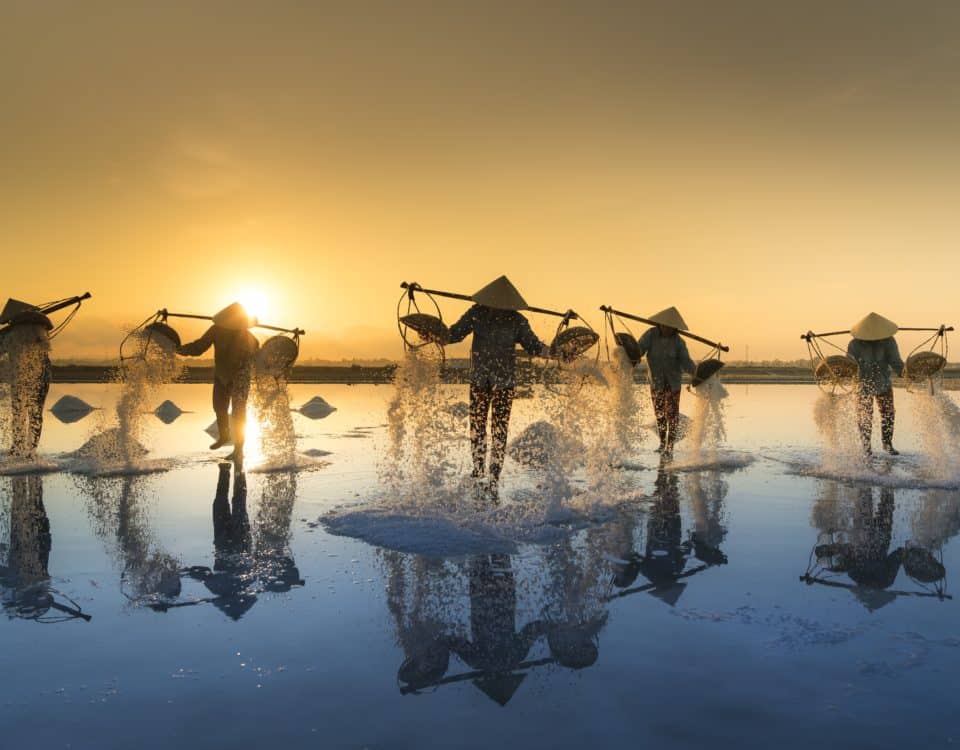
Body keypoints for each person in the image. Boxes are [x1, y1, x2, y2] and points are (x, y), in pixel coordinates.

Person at [446, 276, 550, 494]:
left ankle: (494, 478)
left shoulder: (517, 321)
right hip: (479, 382)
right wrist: (434, 334)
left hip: (504, 384)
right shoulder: (476, 313)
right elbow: (453, 334)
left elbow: (533, 346)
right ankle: (478, 471)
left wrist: (555, 352)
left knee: (499, 431)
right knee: (477, 428)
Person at [177, 302, 259, 463]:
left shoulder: (249, 337)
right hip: (222, 374)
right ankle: (224, 436)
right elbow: (198, 347)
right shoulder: (216, 330)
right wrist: (179, 349)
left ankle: (238, 450)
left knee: (238, 413)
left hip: (240, 377)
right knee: (219, 407)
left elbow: (257, 356)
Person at [635, 306, 695, 458]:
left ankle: (670, 446)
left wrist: (697, 373)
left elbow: (686, 362)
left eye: (671, 327)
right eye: (666, 326)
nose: (668, 329)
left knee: (672, 416)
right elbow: (638, 350)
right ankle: (662, 443)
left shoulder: (679, 342)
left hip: (673, 383)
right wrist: (630, 354)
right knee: (660, 414)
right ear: (661, 324)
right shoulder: (650, 335)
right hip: (656, 382)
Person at [0, 301, 53, 460]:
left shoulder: (11, 336)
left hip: (35, 377)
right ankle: (24, 449)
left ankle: (25, 449)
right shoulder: (13, 335)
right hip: (24, 377)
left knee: (27, 412)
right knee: (29, 412)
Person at [847, 312, 904, 456]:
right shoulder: (855, 344)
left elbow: (896, 363)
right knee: (864, 416)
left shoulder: (888, 342)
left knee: (888, 413)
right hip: (862, 384)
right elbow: (849, 365)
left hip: (883, 382)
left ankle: (887, 443)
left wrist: (907, 373)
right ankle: (866, 448)